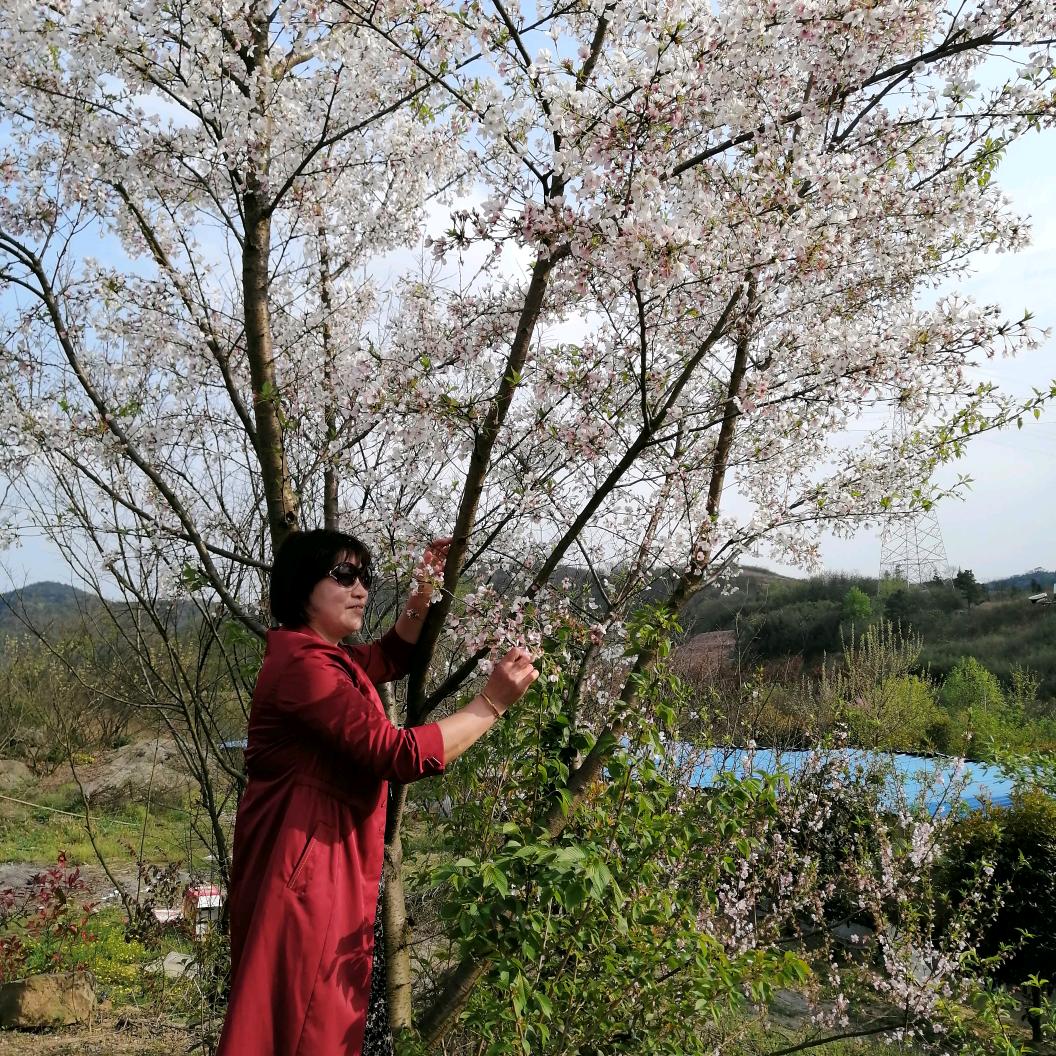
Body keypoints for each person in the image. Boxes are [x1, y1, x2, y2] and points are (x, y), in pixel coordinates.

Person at [216, 529, 538, 1056]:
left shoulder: (326, 659)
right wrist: (491, 704)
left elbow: (391, 657)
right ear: (301, 587)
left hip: (319, 867)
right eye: (344, 576)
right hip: (303, 879)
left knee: (313, 1023)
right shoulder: (304, 667)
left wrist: (422, 592)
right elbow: (398, 754)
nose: (360, 589)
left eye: (365, 577)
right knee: (302, 1028)